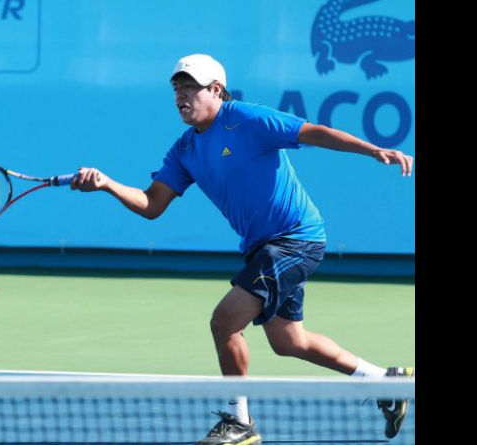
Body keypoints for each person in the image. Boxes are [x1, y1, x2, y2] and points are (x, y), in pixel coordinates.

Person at [70, 54, 414, 445]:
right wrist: (107, 185)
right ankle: (387, 382)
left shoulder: (247, 119)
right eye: (176, 88)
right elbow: (153, 205)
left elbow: (313, 132)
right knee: (289, 342)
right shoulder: (184, 150)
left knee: (224, 322)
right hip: (262, 248)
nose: (181, 95)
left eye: (190, 87)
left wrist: (373, 151)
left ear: (216, 90)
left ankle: (240, 423)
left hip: (295, 239)